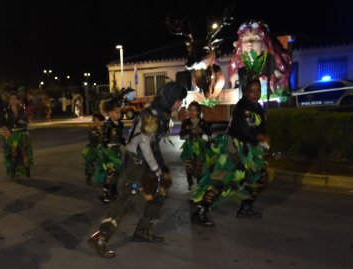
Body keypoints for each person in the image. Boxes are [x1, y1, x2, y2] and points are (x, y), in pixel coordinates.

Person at [87, 82, 187, 258]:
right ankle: (101, 237)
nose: (180, 104)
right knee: (127, 198)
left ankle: (142, 231)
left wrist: (161, 168)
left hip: (146, 159)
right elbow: (144, 145)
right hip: (136, 160)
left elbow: (154, 146)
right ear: (171, 98)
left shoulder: (162, 113)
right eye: (179, 100)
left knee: (160, 192)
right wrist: (157, 170)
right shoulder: (152, 115)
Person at [190, 76, 269, 227]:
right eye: (252, 91)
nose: (255, 93)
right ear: (245, 92)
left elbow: (258, 128)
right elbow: (247, 129)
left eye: (258, 90)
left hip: (248, 152)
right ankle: (200, 212)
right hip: (234, 149)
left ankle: (246, 206)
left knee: (260, 177)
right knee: (221, 180)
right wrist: (261, 136)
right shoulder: (242, 107)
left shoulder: (256, 107)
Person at [94, 96, 125, 203]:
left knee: (117, 172)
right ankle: (104, 193)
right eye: (117, 112)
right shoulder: (107, 125)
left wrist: (125, 142)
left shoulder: (119, 124)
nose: (119, 114)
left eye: (120, 112)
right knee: (110, 172)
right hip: (109, 152)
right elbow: (103, 138)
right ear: (110, 113)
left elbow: (120, 138)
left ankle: (113, 191)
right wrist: (107, 145)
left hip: (116, 151)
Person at [179, 101, 211, 189]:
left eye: (195, 110)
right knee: (189, 165)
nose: (192, 112)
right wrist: (188, 135)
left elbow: (209, 132)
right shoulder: (185, 122)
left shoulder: (202, 122)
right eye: (190, 110)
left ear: (198, 112)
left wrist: (209, 142)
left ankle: (199, 182)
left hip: (199, 146)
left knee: (199, 165)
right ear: (188, 111)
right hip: (189, 146)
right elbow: (181, 136)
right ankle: (190, 183)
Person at [2, 92, 33, 178]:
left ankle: (27, 168)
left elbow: (28, 122)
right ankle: (13, 170)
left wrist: (24, 122)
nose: (13, 100)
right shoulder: (6, 112)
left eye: (15, 99)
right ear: (9, 101)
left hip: (22, 134)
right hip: (12, 135)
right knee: (13, 153)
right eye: (11, 99)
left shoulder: (22, 110)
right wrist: (6, 131)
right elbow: (3, 124)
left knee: (24, 153)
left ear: (18, 100)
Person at [82, 112, 105, 185]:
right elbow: (91, 139)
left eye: (95, 120)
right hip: (93, 148)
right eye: (93, 120)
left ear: (100, 121)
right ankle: (88, 177)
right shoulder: (92, 129)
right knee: (90, 163)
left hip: (103, 148)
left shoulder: (105, 129)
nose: (93, 121)